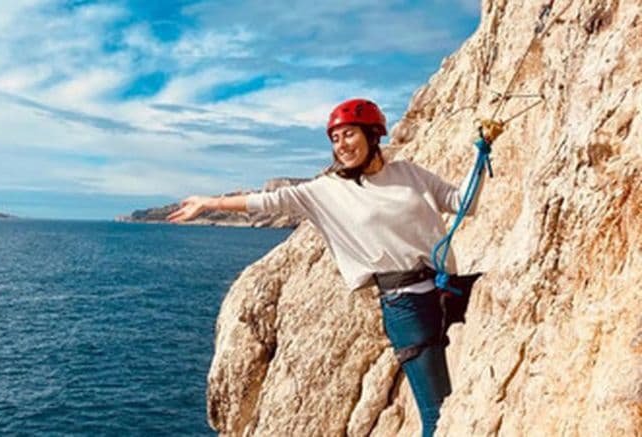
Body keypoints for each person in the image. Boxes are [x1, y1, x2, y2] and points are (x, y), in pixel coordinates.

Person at [166, 98, 486, 436]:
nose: (341, 145)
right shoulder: (328, 190)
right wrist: (209, 203)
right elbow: (267, 201)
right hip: (406, 305)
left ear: (373, 135)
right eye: (335, 139)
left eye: (349, 134)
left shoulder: (409, 174)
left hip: (446, 289)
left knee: (459, 391)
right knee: (436, 412)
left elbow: (463, 204)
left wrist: (481, 156)